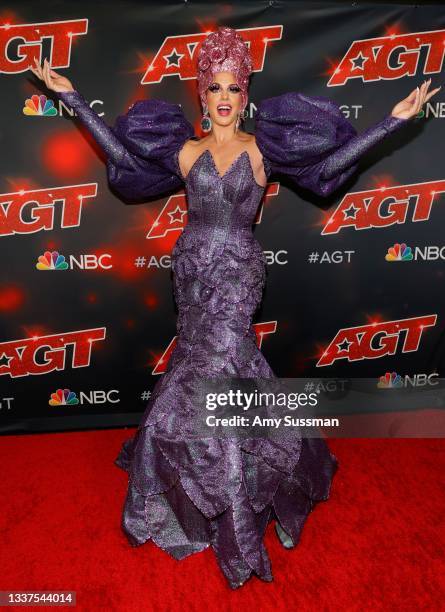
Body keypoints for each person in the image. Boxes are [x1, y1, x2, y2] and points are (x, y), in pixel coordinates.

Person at [30, 26, 439, 589]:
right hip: (192, 271)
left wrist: (391, 121)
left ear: (244, 96)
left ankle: (236, 510)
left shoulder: (264, 149)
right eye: (215, 87)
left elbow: (328, 169)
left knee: (223, 364)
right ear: (203, 95)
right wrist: (72, 97)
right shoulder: (187, 149)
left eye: (234, 88)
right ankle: (204, 486)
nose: (224, 97)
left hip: (239, 274)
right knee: (200, 366)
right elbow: (122, 158)